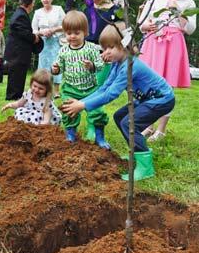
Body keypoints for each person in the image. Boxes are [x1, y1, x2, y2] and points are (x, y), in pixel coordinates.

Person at [61, 24, 175, 181]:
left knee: (129, 123)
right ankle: (136, 153)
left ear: (124, 45)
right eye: (104, 48)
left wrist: (82, 106)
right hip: (148, 99)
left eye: (110, 47)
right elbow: (104, 88)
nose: (106, 52)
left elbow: (111, 94)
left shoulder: (130, 65)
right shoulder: (117, 64)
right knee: (119, 116)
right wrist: (81, 102)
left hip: (162, 99)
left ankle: (145, 167)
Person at [138, 0, 196, 141]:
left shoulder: (188, 2)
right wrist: (145, 26)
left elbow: (191, 29)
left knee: (166, 88)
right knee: (148, 85)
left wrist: (178, 12)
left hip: (173, 46)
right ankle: (148, 126)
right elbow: (141, 22)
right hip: (153, 43)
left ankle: (161, 130)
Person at [51, 10, 110, 149]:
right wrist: (56, 69)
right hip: (71, 89)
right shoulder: (63, 50)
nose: (72, 36)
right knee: (69, 112)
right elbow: (59, 66)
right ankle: (71, 135)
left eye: (77, 33)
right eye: (69, 33)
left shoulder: (91, 48)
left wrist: (92, 66)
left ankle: (100, 138)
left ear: (85, 32)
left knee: (97, 113)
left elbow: (101, 65)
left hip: (90, 89)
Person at [84, 0, 124, 139]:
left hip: (105, 56)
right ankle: (90, 123)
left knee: (98, 90)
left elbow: (121, 34)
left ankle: (95, 126)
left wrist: (112, 52)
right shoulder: (89, 10)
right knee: (87, 89)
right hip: (87, 55)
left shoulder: (115, 11)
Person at [4, 0, 40, 100]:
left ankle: (16, 95)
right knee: (17, 74)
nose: (33, 6)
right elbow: (22, 32)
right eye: (33, 3)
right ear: (28, 4)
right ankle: (14, 96)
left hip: (18, 51)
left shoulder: (20, 13)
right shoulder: (21, 15)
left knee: (18, 74)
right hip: (18, 52)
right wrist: (34, 37)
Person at [32, 0, 65, 98]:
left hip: (55, 41)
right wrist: (42, 32)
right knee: (43, 65)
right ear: (41, 0)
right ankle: (43, 88)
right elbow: (33, 29)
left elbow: (66, 25)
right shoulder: (37, 12)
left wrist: (54, 30)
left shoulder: (58, 9)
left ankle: (56, 90)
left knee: (56, 64)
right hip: (43, 42)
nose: (45, 0)